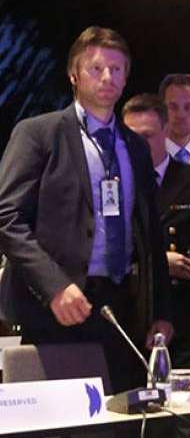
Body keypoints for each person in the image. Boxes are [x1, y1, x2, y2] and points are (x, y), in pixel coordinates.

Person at [0, 26, 173, 394]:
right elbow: (7, 218)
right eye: (96, 68)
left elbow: (150, 233)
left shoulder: (135, 147)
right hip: (57, 304)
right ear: (74, 75)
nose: (107, 77)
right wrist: (53, 286)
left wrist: (161, 310)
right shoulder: (39, 133)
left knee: (121, 414)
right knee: (60, 422)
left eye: (116, 69)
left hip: (120, 306)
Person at [124, 93, 190, 373]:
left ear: (165, 131)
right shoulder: (113, 184)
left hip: (184, 315)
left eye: (147, 136)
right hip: (131, 312)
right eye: (130, 137)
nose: (138, 145)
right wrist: (155, 260)